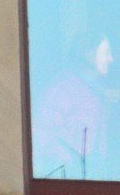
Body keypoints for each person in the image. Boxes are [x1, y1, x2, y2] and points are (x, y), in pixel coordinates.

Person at [33, 31, 115, 180]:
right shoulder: (63, 89)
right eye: (106, 53)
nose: (111, 59)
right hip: (67, 179)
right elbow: (42, 131)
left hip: (91, 176)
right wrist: (70, 161)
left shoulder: (96, 89)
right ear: (89, 55)